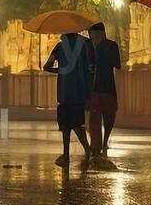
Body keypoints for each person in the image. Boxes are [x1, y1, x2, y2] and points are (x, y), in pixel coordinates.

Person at [44, 31, 94, 168]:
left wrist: (61, 70)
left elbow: (46, 66)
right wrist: (89, 94)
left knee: (65, 127)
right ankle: (88, 150)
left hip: (64, 93)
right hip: (79, 94)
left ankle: (66, 155)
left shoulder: (59, 48)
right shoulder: (84, 47)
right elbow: (89, 70)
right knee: (78, 125)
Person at [86, 23, 121, 167]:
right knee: (94, 118)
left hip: (107, 87)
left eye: (95, 34)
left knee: (108, 117)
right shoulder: (88, 47)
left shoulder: (110, 46)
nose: (93, 37)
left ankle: (104, 142)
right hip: (94, 89)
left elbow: (117, 64)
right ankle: (96, 145)